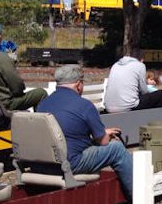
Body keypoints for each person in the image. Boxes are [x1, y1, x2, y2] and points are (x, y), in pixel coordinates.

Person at [37, 65, 134, 195]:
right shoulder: (84, 105)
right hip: (70, 163)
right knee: (116, 149)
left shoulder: (43, 104)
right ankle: (138, 194)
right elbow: (104, 141)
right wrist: (106, 134)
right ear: (78, 84)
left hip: (44, 162)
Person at [0, 21, 47, 111]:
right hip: (1, 105)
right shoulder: (1, 57)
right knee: (41, 93)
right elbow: (17, 87)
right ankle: (39, 124)